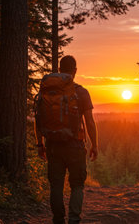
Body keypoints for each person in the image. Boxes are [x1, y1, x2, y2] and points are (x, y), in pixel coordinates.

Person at [35, 55, 98, 224]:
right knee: (77, 185)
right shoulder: (82, 92)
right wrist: (95, 145)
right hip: (76, 145)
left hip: (53, 145)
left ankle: (58, 219)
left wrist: (39, 144)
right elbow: (90, 122)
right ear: (75, 71)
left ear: (60, 70)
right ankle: (74, 219)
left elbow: (38, 119)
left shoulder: (47, 92)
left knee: (56, 185)